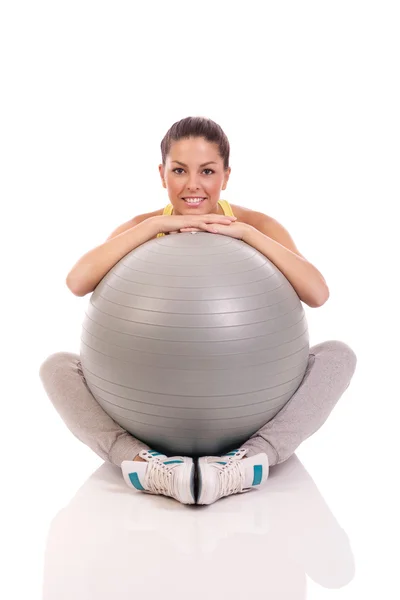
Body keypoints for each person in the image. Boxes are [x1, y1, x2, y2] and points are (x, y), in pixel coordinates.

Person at [39, 116, 357, 506]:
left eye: (207, 171)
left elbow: (318, 294)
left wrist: (245, 234)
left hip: (251, 412)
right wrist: (154, 225)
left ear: (226, 175)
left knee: (338, 355)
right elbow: (76, 282)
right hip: (144, 416)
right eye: (179, 171)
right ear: (162, 174)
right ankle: (147, 464)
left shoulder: (258, 224)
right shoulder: (142, 227)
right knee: (55, 366)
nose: (193, 184)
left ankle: (250, 460)